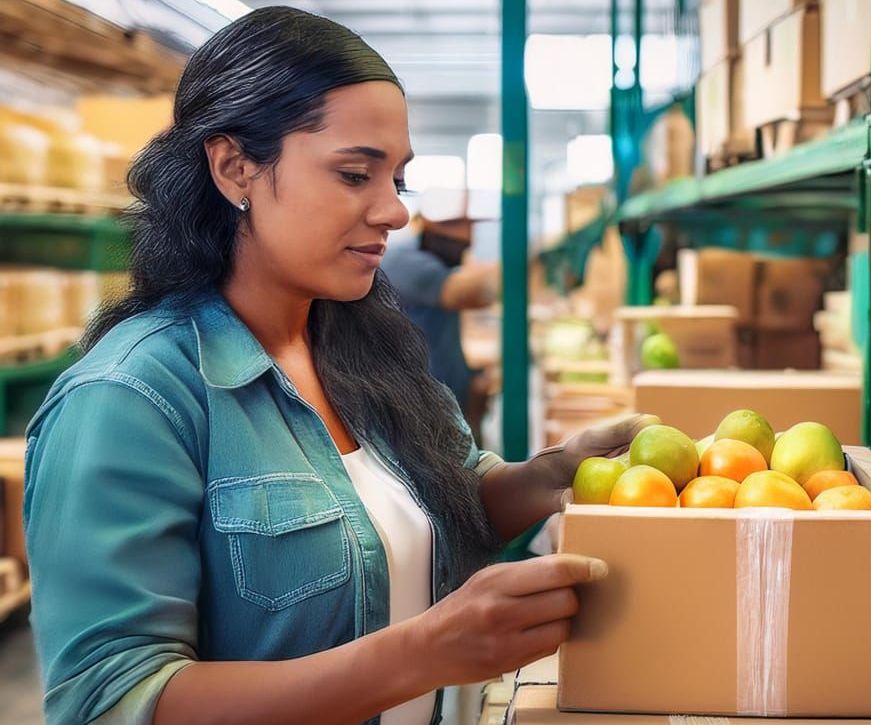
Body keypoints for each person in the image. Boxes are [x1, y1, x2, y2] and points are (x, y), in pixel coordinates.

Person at [22, 9, 655, 724]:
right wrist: (421, 653)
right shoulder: (132, 398)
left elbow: (440, 498)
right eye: (355, 174)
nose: (395, 212)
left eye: (397, 180)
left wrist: (551, 474)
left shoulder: (360, 347)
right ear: (234, 168)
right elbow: (111, 700)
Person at [380, 216, 496, 422]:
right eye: (457, 226)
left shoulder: (437, 260)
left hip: (444, 394)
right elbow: (470, 292)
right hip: (420, 404)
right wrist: (530, 265)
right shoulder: (405, 262)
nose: (466, 236)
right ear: (429, 223)